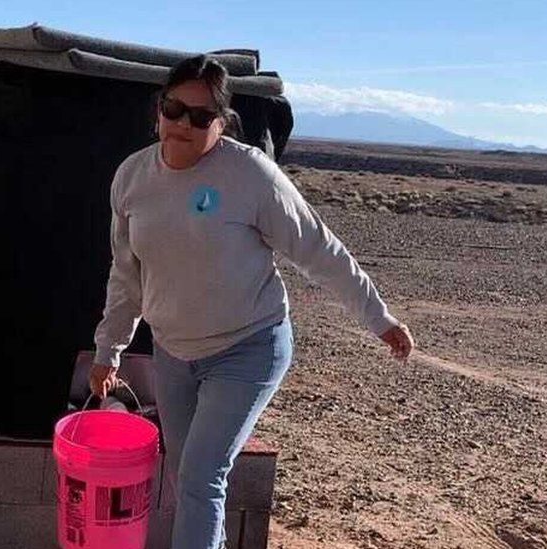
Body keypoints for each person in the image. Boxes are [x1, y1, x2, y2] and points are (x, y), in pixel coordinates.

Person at [89, 55, 414, 549]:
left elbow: (317, 247)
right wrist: (108, 350)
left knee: (200, 480)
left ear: (221, 124)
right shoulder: (132, 178)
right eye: (175, 109)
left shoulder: (250, 176)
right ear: (158, 109)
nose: (183, 124)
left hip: (248, 347)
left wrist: (378, 316)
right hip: (174, 353)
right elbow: (126, 273)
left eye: (201, 117)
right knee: (188, 479)